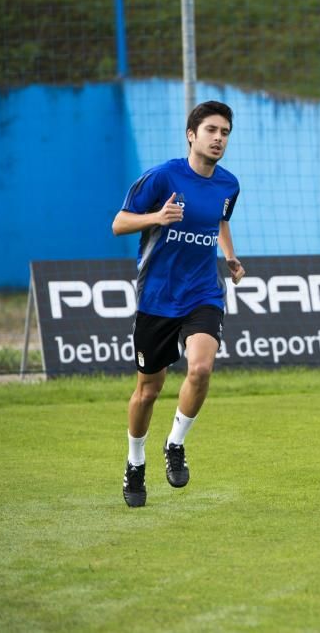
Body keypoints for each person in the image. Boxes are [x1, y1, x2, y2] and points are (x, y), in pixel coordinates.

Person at [112, 100, 246, 508]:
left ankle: (175, 444)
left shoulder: (229, 184)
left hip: (203, 292)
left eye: (224, 132)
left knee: (201, 368)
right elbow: (118, 223)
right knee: (148, 391)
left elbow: (220, 219)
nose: (218, 138)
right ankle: (135, 465)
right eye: (211, 130)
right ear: (192, 135)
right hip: (157, 298)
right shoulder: (162, 177)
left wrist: (230, 255)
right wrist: (156, 219)